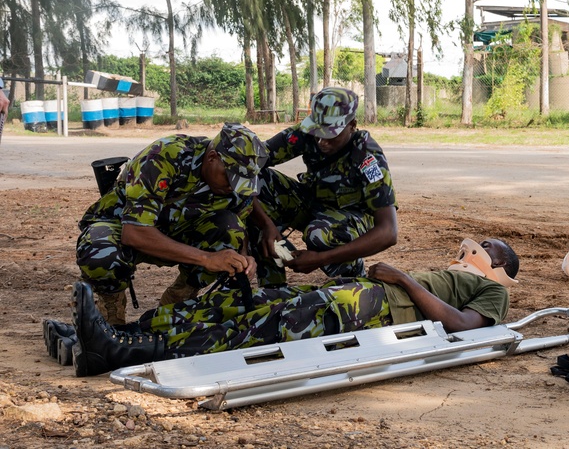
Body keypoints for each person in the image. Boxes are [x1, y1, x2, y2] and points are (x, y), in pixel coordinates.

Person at [62, 237, 519, 377]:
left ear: (496, 264)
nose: (468, 248)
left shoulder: (495, 292)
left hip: (368, 308)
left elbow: (463, 326)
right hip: (355, 294)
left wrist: (402, 278)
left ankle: (126, 352)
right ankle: (126, 333)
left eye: (483, 247)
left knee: (257, 328)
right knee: (245, 301)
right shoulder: (453, 276)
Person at [76, 123, 269, 326]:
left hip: (180, 232)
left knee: (231, 231)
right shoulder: (165, 156)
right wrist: (207, 258)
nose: (233, 187)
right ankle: (111, 309)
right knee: (99, 250)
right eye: (230, 178)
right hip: (123, 228)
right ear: (212, 158)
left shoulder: (238, 186)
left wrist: (244, 257)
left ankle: (177, 301)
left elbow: (240, 224)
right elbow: (134, 233)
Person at [250, 87, 398, 285]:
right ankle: (273, 285)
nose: (321, 142)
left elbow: (388, 232)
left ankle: (353, 277)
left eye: (330, 134)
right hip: (312, 203)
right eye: (317, 132)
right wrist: (266, 224)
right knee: (258, 183)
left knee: (318, 234)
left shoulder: (367, 157)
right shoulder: (306, 132)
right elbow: (250, 163)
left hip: (351, 218)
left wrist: (321, 259)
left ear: (352, 125)